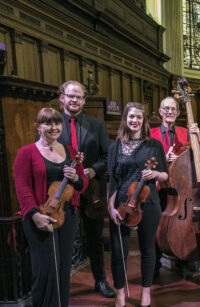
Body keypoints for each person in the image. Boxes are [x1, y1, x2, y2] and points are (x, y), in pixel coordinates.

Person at [14, 108, 87, 307]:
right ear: (38, 126)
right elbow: (22, 187)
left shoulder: (70, 151)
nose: (54, 128)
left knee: (63, 268)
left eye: (57, 123)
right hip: (39, 215)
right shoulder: (26, 152)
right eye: (48, 123)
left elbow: (82, 183)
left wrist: (77, 178)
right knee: (45, 268)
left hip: (67, 215)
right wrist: (35, 215)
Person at [56, 80, 114, 298]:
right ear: (62, 97)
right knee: (63, 239)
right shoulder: (53, 123)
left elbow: (107, 157)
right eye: (70, 96)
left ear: (84, 100)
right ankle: (62, 285)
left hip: (91, 191)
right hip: (61, 192)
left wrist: (91, 170)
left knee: (95, 238)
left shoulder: (96, 125)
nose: (74, 100)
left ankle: (100, 280)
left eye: (78, 97)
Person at [107, 102, 168, 307]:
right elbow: (113, 179)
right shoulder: (115, 146)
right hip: (122, 202)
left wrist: (156, 174)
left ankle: (145, 292)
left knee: (148, 248)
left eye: (139, 118)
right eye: (131, 117)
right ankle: (120, 293)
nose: (134, 121)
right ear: (125, 118)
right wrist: (111, 206)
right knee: (118, 250)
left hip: (148, 201)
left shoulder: (154, 145)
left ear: (144, 121)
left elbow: (165, 175)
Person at [150, 96, 200, 276]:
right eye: (166, 109)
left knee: (182, 226)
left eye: (173, 109)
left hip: (180, 188)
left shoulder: (185, 132)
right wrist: (162, 161)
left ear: (178, 113)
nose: (170, 112)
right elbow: (143, 161)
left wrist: (198, 138)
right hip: (158, 187)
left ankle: (183, 259)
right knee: (156, 225)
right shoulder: (150, 134)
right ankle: (155, 264)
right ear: (160, 111)